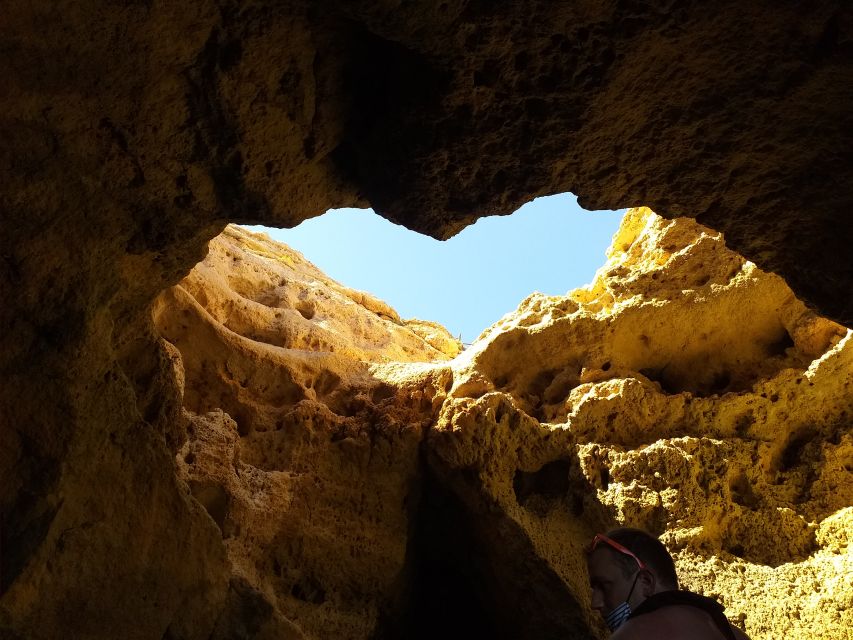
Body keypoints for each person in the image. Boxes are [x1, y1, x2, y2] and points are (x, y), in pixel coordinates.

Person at [585, 527, 751, 639]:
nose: (595, 603)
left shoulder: (637, 633)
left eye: (605, 586)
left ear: (646, 582)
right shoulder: (734, 634)